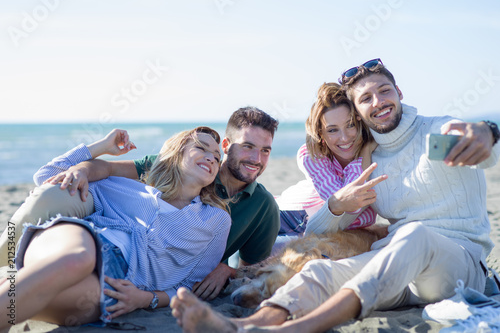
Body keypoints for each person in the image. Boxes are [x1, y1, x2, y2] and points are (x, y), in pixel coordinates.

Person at [169, 58, 500, 333]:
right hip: (400, 268)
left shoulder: (440, 128)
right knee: (319, 271)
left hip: (459, 265)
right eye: (366, 98)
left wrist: (488, 132)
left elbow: (485, 151)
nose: (378, 102)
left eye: (384, 91)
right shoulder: (371, 157)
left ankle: (295, 330)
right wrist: (338, 204)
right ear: (358, 110)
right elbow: (324, 226)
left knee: (414, 235)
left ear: (399, 92)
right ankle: (248, 327)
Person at [0, 106, 280, 301]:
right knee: (48, 193)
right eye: (248, 146)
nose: (256, 158)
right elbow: (107, 170)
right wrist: (84, 168)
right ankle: (5, 262)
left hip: (132, 264)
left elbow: (252, 269)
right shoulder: (176, 166)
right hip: (98, 220)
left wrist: (228, 269)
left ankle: (15, 286)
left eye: (265, 150)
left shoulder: (263, 206)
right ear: (228, 145)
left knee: (68, 277)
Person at [0, 126, 231, 328]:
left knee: (57, 301)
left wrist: (146, 298)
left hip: (118, 282)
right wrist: (100, 147)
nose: (211, 157)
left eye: (217, 157)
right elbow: (47, 177)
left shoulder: (216, 220)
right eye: (202, 147)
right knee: (77, 258)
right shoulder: (131, 188)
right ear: (177, 152)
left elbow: (190, 285)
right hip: (82, 238)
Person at [272, 82, 382, 253]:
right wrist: (365, 153)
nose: (344, 137)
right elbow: (351, 201)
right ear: (320, 133)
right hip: (287, 217)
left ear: (360, 122)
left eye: (350, 125)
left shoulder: (379, 156)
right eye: (332, 130)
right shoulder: (311, 155)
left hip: (322, 231)